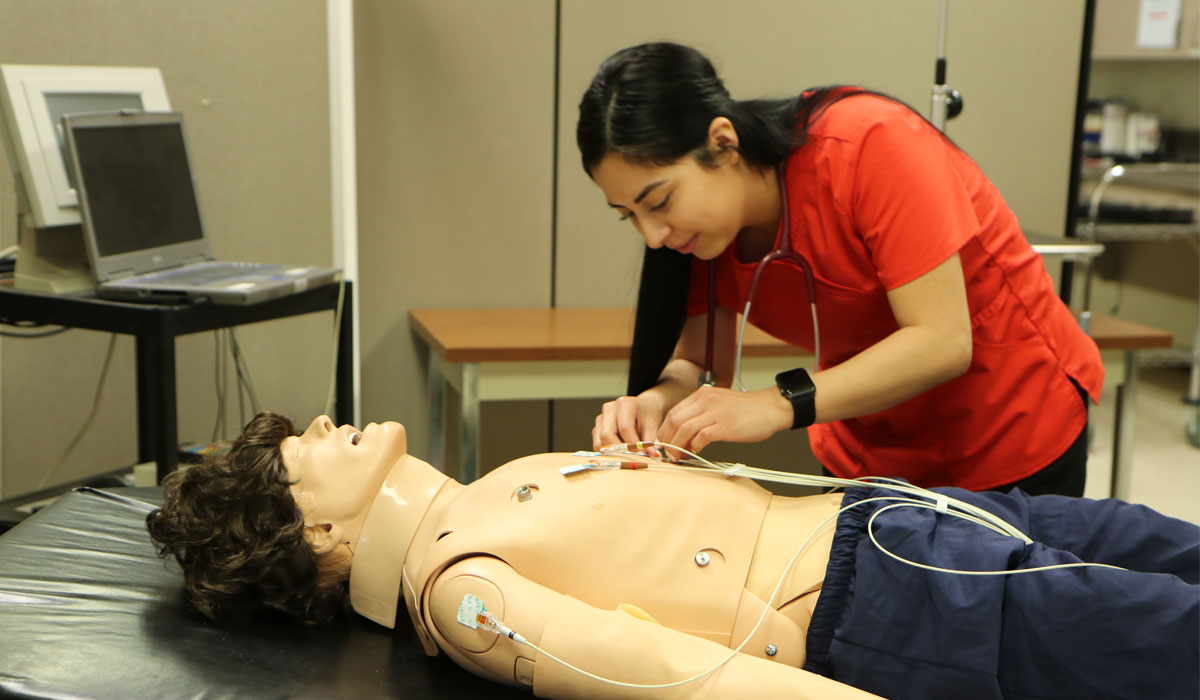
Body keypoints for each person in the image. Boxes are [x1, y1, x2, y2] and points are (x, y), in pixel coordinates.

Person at [147, 413, 1199, 700]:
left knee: (1170, 547)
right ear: (317, 537)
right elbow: (684, 679)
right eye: (302, 454)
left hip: (900, 519)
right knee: (1172, 635)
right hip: (892, 602)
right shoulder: (457, 592)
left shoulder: (478, 493)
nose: (325, 420)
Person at [577, 42, 1104, 496]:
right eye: (629, 216)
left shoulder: (869, 144)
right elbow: (701, 363)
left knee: (994, 610)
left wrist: (778, 403)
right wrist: (652, 402)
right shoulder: (698, 240)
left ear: (723, 142)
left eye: (660, 201)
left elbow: (943, 341)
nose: (653, 235)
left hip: (1008, 426)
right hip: (869, 453)